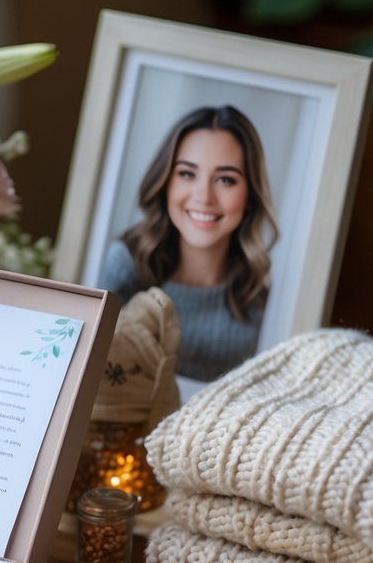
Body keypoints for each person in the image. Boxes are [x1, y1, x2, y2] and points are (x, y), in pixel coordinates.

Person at [98, 105, 278, 382]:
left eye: (225, 179)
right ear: (166, 183)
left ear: (250, 196)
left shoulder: (265, 298)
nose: (204, 197)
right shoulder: (125, 264)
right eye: (187, 174)